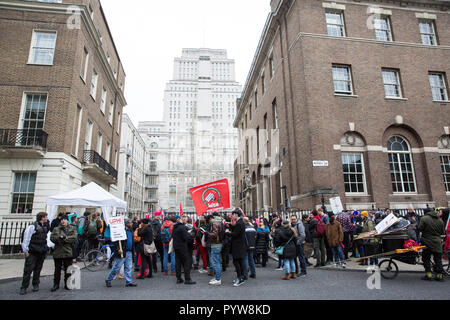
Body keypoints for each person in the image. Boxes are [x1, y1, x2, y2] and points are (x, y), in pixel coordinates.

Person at [20, 212, 49, 295]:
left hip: (41, 251)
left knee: (38, 269)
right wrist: (25, 250)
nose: (47, 218)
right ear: (42, 217)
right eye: (46, 217)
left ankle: (35, 284)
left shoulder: (44, 226)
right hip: (32, 252)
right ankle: (24, 287)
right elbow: (26, 238)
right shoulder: (32, 226)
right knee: (28, 270)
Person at [106, 218, 137, 288]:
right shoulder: (120, 231)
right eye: (130, 223)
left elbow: (132, 241)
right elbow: (116, 241)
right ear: (126, 224)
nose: (131, 224)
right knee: (116, 267)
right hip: (122, 252)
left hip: (129, 252)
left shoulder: (131, 230)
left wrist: (133, 250)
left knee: (128, 267)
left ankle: (129, 281)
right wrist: (118, 249)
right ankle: (108, 279)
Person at [50, 214, 77, 292]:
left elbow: (74, 238)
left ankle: (67, 284)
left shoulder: (72, 228)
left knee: (68, 269)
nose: (63, 221)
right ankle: (56, 284)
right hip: (58, 251)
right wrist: (60, 239)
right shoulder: (56, 229)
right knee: (57, 270)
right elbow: (52, 238)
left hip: (68, 251)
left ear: (67, 220)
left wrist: (64, 238)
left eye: (64, 219)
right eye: (61, 219)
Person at [419, 208, 446, 281]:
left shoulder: (424, 219)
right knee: (438, 259)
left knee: (426, 258)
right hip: (437, 242)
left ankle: (429, 275)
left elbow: (420, 228)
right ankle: (439, 276)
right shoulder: (440, 221)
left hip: (427, 242)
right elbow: (442, 232)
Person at [172, 216, 196, 285]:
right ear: (181, 220)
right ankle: (187, 279)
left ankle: (178, 278)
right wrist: (190, 234)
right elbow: (187, 237)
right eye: (184, 220)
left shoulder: (175, 227)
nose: (185, 221)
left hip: (176, 247)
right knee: (186, 263)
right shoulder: (182, 227)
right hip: (182, 247)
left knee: (178, 263)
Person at [227, 208, 247, 287]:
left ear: (236, 215)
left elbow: (235, 234)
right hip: (240, 245)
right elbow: (237, 231)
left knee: (236, 261)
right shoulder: (240, 222)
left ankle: (239, 278)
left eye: (233, 214)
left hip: (237, 246)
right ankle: (241, 277)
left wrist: (228, 232)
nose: (232, 216)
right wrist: (231, 226)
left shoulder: (239, 223)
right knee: (240, 262)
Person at [207, 214, 224, 285]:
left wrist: (207, 233)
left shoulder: (215, 223)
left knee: (216, 262)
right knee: (217, 262)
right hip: (218, 244)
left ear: (213, 218)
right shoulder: (220, 222)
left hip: (215, 244)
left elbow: (214, 234)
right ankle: (217, 277)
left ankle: (218, 279)